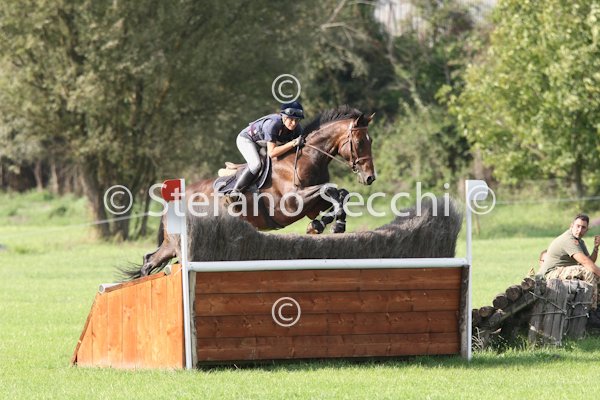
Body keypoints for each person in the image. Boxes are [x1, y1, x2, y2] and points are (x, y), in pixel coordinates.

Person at [229, 101, 305, 198]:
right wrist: (293, 143)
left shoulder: (297, 129)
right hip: (246, 140)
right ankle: (235, 192)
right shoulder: (273, 124)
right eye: (291, 119)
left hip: (263, 143)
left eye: (297, 120)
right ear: (284, 117)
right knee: (256, 165)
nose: (294, 123)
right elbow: (272, 153)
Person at [539, 214, 600, 309]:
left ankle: (598, 304)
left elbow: (590, 261)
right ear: (571, 226)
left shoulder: (580, 241)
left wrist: (596, 248)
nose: (579, 230)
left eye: (583, 227)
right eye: (578, 226)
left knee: (595, 273)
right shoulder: (568, 239)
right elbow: (585, 262)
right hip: (551, 273)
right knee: (588, 272)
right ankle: (591, 309)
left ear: (587, 230)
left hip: (562, 271)